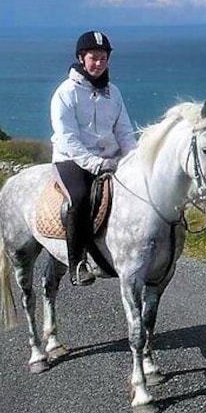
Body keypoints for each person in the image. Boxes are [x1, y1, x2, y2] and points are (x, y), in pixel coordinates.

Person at [50, 30, 137, 286]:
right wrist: (96, 164)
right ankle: (77, 263)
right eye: (93, 58)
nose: (98, 63)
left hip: (111, 159)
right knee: (79, 199)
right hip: (72, 161)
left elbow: (124, 131)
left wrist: (133, 159)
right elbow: (68, 138)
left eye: (103, 58)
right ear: (81, 58)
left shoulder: (114, 92)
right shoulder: (65, 93)